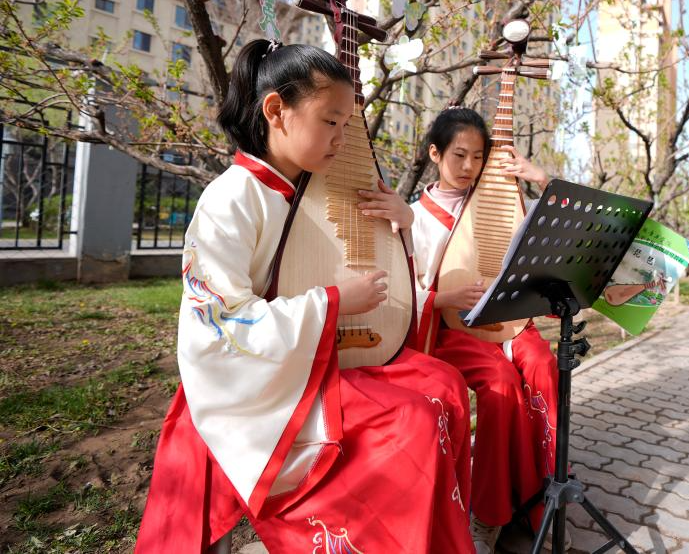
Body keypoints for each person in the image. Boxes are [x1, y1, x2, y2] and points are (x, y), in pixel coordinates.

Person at [136, 41, 474, 553]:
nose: (342, 138)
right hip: (258, 384)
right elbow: (221, 324)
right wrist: (332, 303)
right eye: (331, 122)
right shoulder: (231, 198)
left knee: (445, 383)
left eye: (347, 125)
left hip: (312, 356)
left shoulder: (312, 191)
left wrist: (402, 222)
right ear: (276, 110)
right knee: (413, 420)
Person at [410, 107, 561, 554]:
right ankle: (489, 512)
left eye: (478, 157)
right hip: (451, 329)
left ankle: (542, 502)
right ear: (435, 154)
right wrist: (442, 298)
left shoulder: (499, 200)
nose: (469, 167)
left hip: (509, 321)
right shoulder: (415, 217)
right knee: (500, 385)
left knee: (543, 365)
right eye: (459, 155)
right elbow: (401, 290)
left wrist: (540, 179)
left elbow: (556, 229)